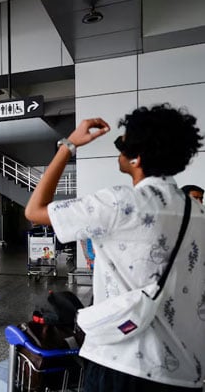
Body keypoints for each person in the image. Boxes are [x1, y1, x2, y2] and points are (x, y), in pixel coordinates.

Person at [24, 104, 205, 392]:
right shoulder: (195, 211)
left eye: (124, 144)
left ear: (137, 158)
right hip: (186, 370)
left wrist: (68, 145)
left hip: (121, 362)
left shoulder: (119, 203)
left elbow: (35, 210)